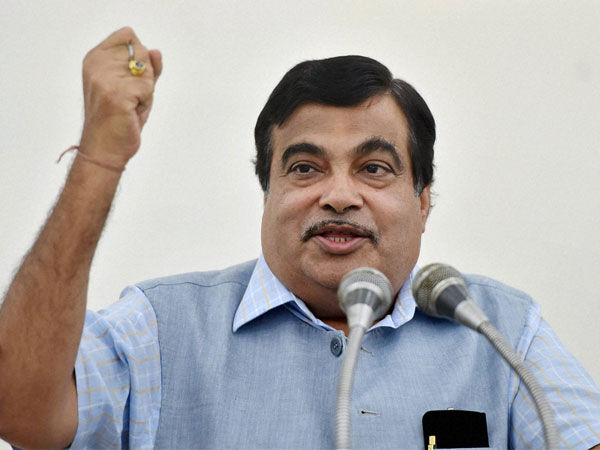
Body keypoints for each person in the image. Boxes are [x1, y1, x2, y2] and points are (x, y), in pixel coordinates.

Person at [0, 26, 598, 449]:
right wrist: (100, 160)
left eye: (373, 168)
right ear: (268, 194)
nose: (338, 195)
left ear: (423, 201)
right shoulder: (160, 329)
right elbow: (17, 405)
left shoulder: (499, 332)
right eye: (306, 168)